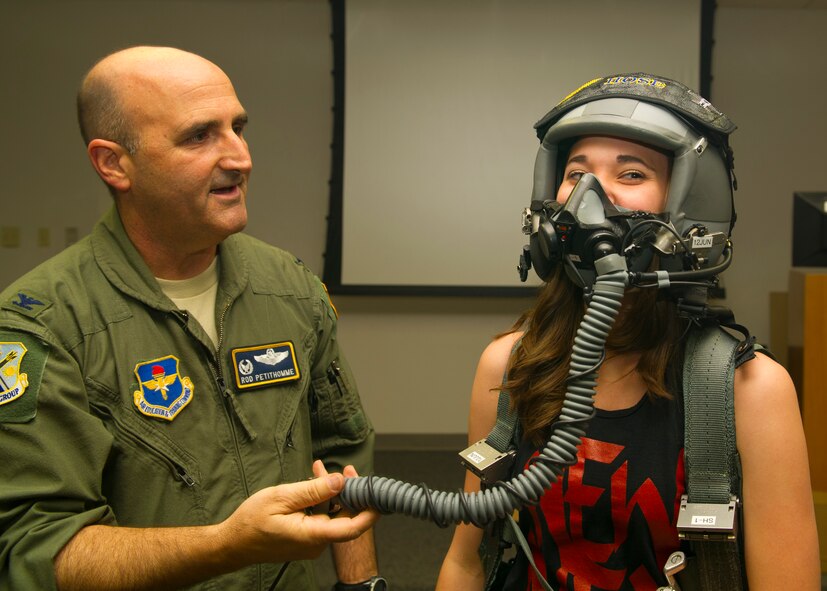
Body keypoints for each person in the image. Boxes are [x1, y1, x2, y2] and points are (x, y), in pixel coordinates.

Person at [0, 46, 385, 591]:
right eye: (199, 136)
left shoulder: (290, 287)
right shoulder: (44, 327)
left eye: (238, 127)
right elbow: (36, 550)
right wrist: (226, 545)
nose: (241, 157)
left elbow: (342, 456)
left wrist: (361, 586)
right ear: (114, 164)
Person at [436, 74, 820, 590]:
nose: (589, 197)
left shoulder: (750, 392)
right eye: (576, 174)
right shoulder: (509, 364)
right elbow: (467, 561)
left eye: (632, 173)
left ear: (688, 206)